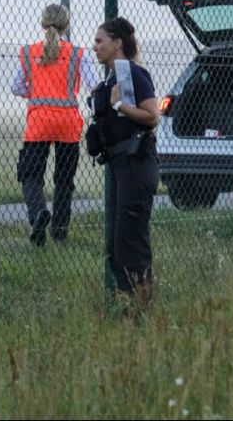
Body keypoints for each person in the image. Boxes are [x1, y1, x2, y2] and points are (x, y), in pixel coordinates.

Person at [13, 4, 98, 246]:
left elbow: (15, 86)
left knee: (30, 174)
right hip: (67, 123)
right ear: (66, 25)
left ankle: (38, 213)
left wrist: (34, 92)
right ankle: (59, 232)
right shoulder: (77, 54)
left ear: (43, 23)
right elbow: (93, 85)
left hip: (38, 122)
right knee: (64, 179)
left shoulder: (30, 52)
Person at [90, 16, 159, 299]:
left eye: (99, 41)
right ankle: (127, 304)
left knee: (130, 243)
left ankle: (139, 306)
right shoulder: (112, 78)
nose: (95, 47)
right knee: (117, 244)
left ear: (117, 43)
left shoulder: (133, 74)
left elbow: (151, 116)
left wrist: (119, 104)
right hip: (122, 167)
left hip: (136, 165)